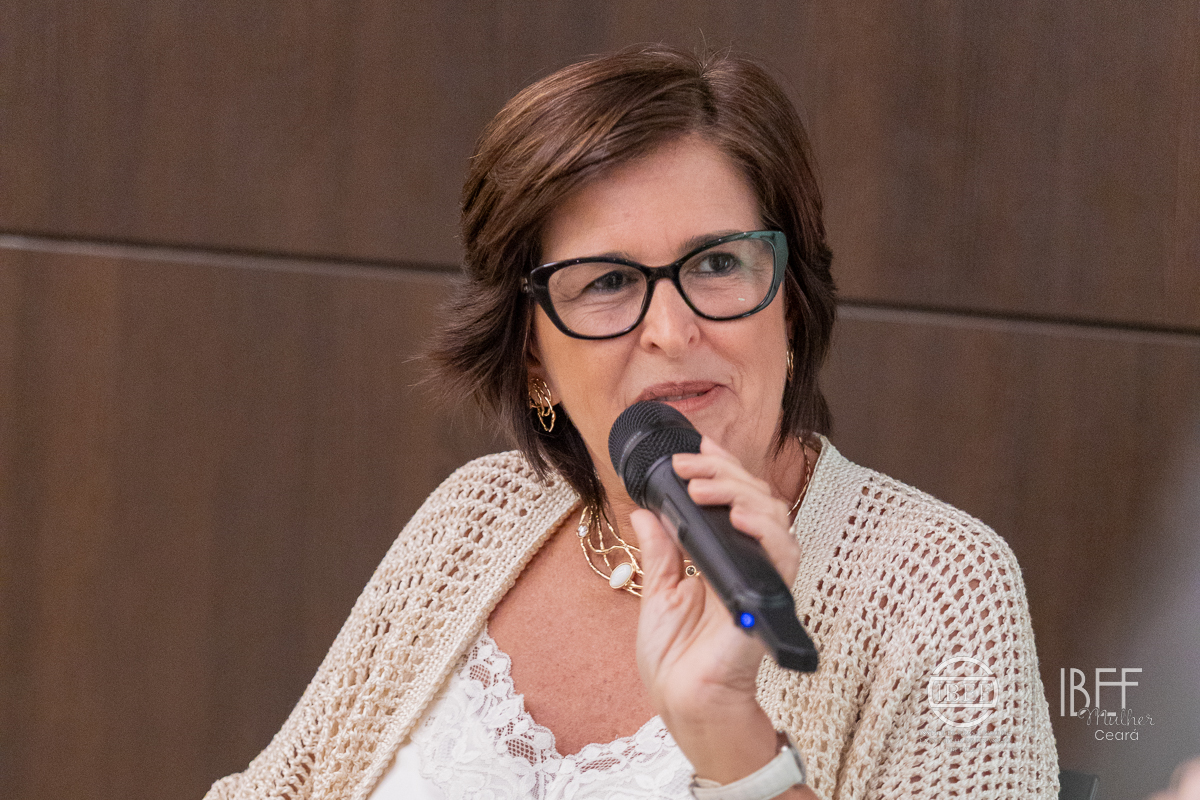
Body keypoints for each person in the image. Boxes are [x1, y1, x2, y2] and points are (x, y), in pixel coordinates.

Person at [205, 45, 1058, 800]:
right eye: (608, 282)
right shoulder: (474, 517)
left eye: (716, 263)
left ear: (791, 307)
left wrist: (734, 742)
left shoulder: (939, 588)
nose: (671, 330)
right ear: (532, 354)